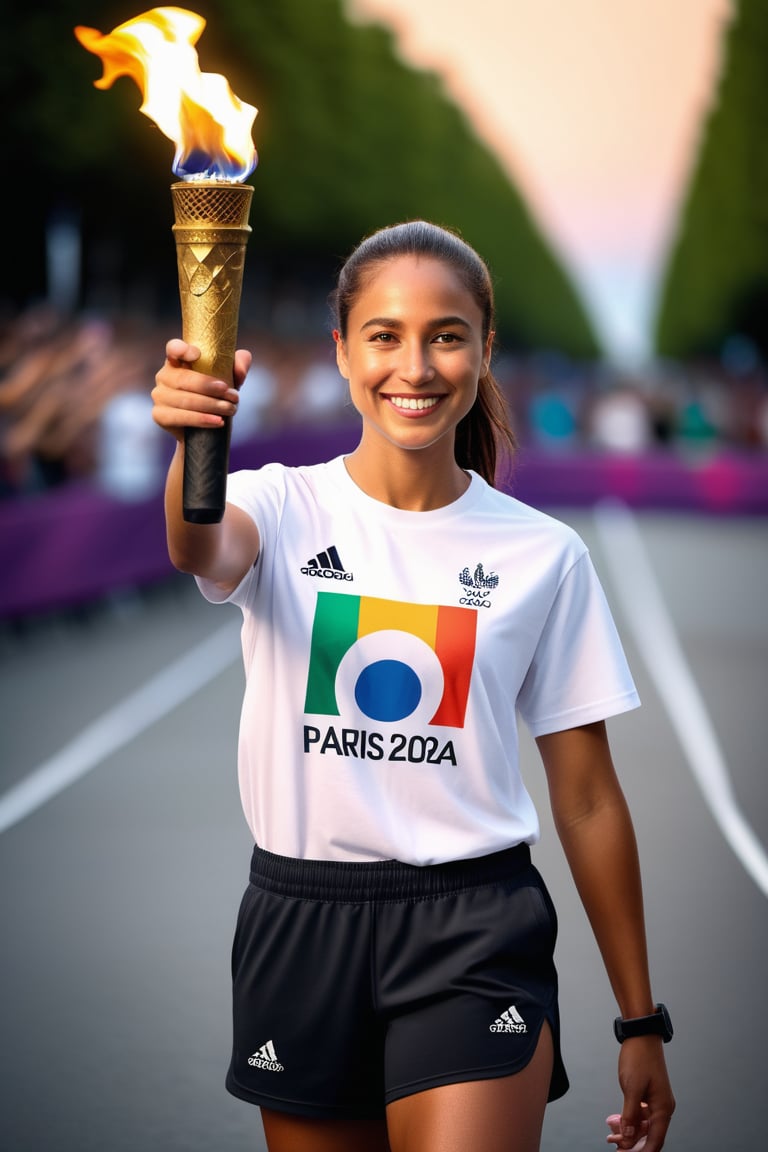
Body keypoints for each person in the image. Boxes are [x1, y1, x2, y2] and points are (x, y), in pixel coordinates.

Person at [151, 220, 675, 1152]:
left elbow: (588, 798)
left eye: (446, 335)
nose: (416, 366)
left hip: (474, 930)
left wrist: (641, 1019)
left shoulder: (544, 554)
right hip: (300, 922)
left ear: (484, 349)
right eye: (385, 335)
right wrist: (196, 434)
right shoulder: (277, 505)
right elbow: (198, 542)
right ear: (343, 350)